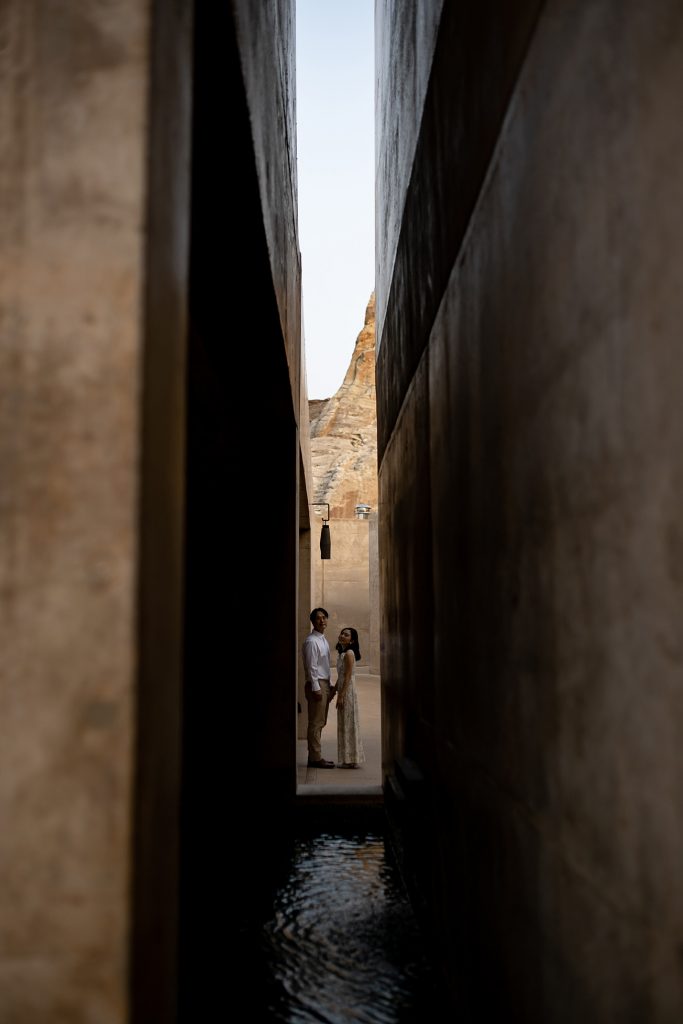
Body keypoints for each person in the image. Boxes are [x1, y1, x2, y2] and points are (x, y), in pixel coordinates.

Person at [301, 607, 336, 768]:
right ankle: (315, 759)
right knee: (315, 723)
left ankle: (315, 756)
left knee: (320, 722)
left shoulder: (322, 639)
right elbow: (311, 668)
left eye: (324, 617)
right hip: (317, 685)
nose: (322, 620)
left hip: (324, 683)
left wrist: (328, 685)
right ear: (313, 622)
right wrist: (316, 688)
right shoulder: (311, 641)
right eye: (318, 618)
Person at [334, 627, 365, 769]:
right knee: (344, 723)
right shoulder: (342, 653)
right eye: (342, 633)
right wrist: (333, 691)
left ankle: (352, 758)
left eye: (346, 635)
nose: (342, 635)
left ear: (352, 640)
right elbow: (340, 676)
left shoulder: (349, 654)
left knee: (349, 723)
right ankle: (348, 758)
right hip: (343, 689)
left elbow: (347, 677)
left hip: (348, 692)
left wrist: (341, 696)